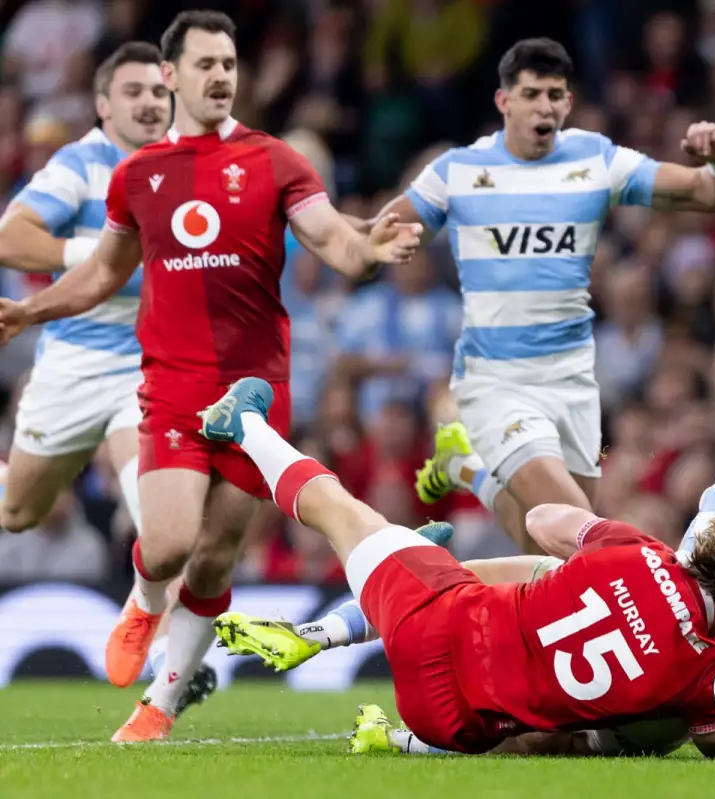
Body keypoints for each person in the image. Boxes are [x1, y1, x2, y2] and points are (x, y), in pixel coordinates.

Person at [0, 11, 420, 743]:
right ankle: (143, 599)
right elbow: (102, 272)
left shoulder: (276, 160)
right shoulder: (137, 176)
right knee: (167, 545)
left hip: (257, 391)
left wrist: (368, 251)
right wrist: (29, 311)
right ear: (173, 75)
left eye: (228, 63)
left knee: (216, 555)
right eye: (205, 64)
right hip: (174, 385)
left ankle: (157, 709)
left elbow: (333, 239)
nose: (221, 75)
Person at [216, 392, 715, 757]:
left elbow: (546, 521)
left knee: (365, 522)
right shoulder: (705, 673)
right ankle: (400, 740)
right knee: (557, 732)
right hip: (463, 717)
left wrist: (605, 551)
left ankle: (254, 438)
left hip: (454, 616)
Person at [361, 38, 715, 553]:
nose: (544, 106)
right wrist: (327, 227)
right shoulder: (458, 171)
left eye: (555, 95)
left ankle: (465, 467)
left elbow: (710, 193)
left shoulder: (596, 158)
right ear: (504, 101)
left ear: (568, 102)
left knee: (545, 547)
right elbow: (372, 235)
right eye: (531, 94)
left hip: (572, 380)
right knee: (583, 535)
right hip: (497, 379)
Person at [0, 41, 218, 718]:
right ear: (102, 105)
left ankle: (169, 672)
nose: (149, 103)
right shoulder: (81, 164)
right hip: (72, 363)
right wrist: (102, 256)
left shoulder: (191, 165)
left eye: (157, 92)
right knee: (17, 512)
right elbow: (11, 237)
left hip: (151, 370)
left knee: (163, 526)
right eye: (132, 93)